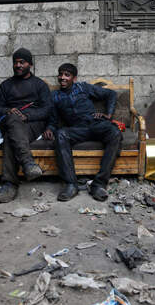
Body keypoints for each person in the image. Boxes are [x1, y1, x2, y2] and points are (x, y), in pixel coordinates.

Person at [43, 63, 122, 202]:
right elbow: (53, 119)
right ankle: (71, 185)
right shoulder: (54, 96)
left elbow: (111, 94)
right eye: (60, 74)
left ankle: (99, 184)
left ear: (74, 78)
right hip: (77, 129)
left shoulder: (83, 87)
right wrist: (50, 128)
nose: (62, 77)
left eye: (67, 75)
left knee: (115, 133)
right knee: (61, 134)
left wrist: (108, 114)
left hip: (95, 124)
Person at [0, 48, 51, 203]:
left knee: (10, 136)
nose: (18, 65)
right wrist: (7, 110)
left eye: (22, 62)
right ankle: (28, 163)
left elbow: (47, 109)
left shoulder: (39, 85)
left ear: (29, 64)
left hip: (32, 124)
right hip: (10, 121)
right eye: (15, 62)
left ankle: (9, 183)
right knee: (12, 120)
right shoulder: (5, 86)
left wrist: (27, 115)